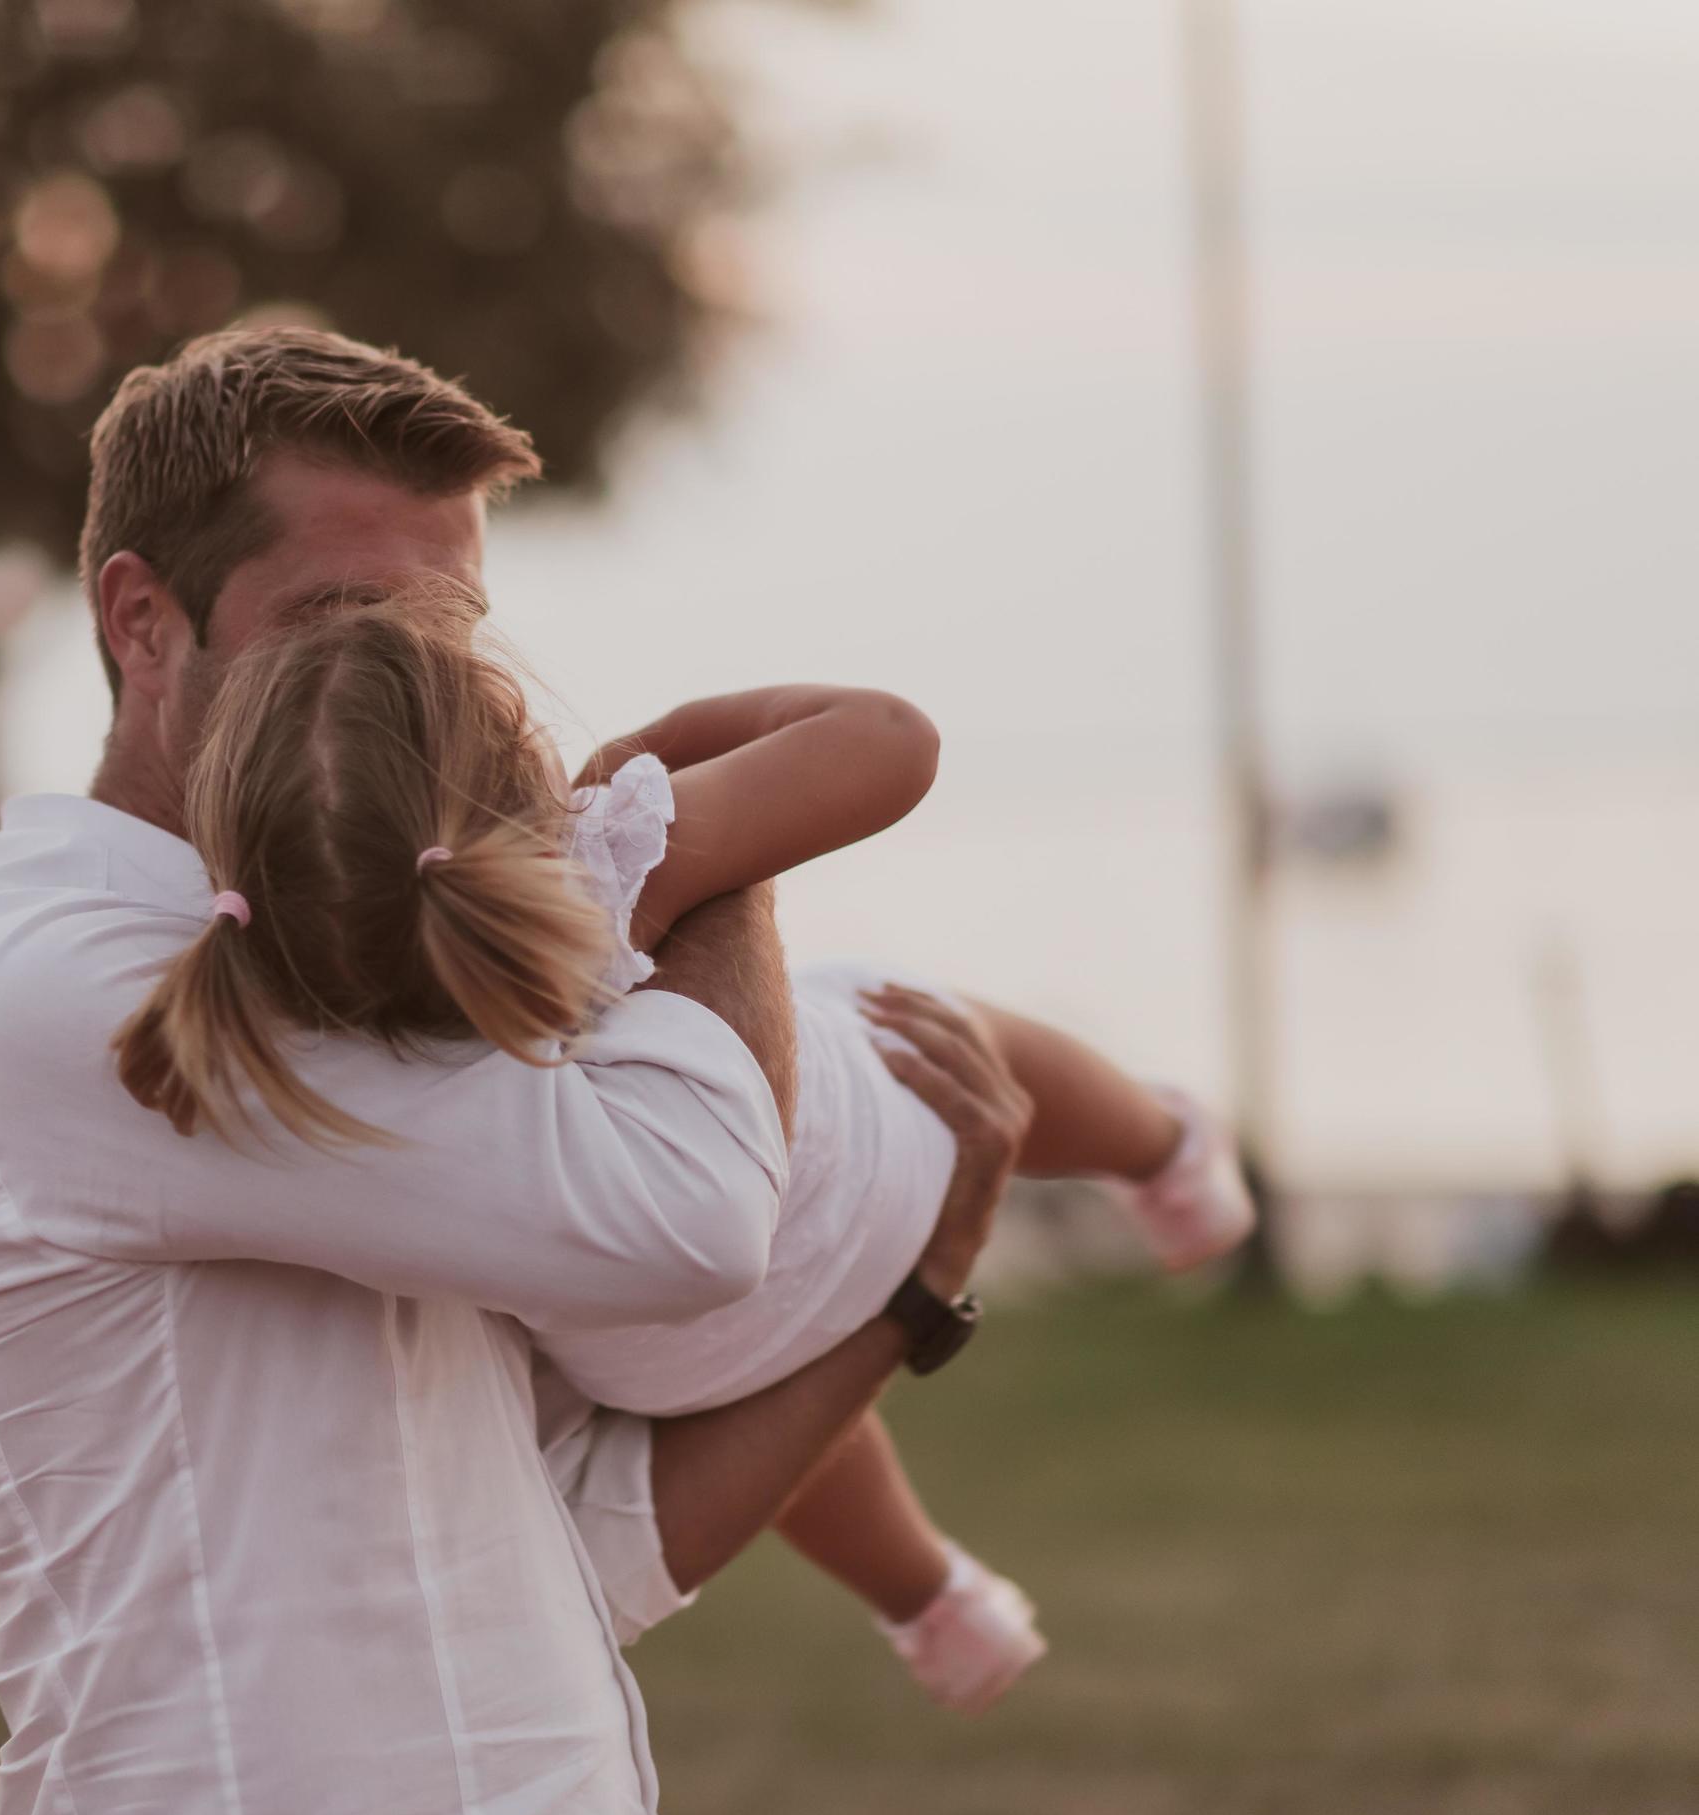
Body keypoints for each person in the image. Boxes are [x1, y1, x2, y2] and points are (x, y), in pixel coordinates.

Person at [0, 326, 1032, 1815]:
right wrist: (690, 843)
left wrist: (914, 1293)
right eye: (345, 624)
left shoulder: (369, 973)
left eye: (450, 629)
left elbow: (577, 1567)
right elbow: (687, 1214)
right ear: (144, 622)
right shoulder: (66, 988)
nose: (412, 685)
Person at [116, 587, 1258, 1717]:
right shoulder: (610, 864)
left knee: (784, 1398)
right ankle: (1170, 1160)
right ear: (506, 759)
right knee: (936, 1022)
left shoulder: (302, 1002)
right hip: (864, 1181)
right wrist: (659, 750)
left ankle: (935, 1602)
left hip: (664, 1365)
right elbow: (894, 742)